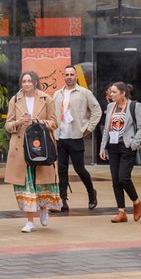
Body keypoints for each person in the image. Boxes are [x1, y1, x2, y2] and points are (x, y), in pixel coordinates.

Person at [4, 70, 61, 233]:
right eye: (24, 81)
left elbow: (54, 123)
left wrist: (40, 122)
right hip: (21, 148)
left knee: (42, 181)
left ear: (35, 82)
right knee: (25, 184)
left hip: (41, 146)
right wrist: (18, 122)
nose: (27, 84)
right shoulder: (15, 100)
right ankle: (29, 220)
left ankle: (44, 208)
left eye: (29, 81)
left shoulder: (46, 99)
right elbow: (8, 125)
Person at [52, 66, 102, 212]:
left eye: (71, 74)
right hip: (60, 137)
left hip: (76, 137)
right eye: (66, 74)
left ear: (76, 76)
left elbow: (97, 111)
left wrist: (89, 128)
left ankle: (91, 193)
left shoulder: (84, 93)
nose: (69, 77)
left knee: (80, 169)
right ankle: (63, 200)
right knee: (61, 170)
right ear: (64, 76)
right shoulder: (57, 94)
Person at [98, 81, 141, 223]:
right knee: (115, 181)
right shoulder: (110, 106)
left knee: (123, 178)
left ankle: (136, 202)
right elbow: (107, 129)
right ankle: (121, 212)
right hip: (112, 147)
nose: (110, 94)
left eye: (114, 92)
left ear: (123, 93)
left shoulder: (134, 106)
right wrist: (102, 147)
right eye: (110, 92)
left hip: (127, 146)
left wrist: (134, 143)